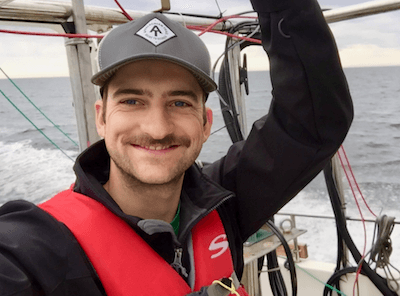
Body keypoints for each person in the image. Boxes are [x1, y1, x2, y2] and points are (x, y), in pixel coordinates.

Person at [0, 0, 353, 294]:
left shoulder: (225, 202)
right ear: (102, 118)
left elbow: (312, 121)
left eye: (180, 103)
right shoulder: (38, 247)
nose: (157, 129)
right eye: (133, 101)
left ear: (205, 124)